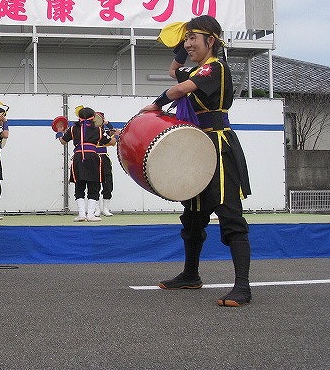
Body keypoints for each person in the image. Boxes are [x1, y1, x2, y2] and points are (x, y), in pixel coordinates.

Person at [140, 15, 252, 307]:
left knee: (230, 217)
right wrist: (180, 44)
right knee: (192, 216)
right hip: (196, 146)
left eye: (193, 39)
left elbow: (178, 90)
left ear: (210, 41)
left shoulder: (216, 68)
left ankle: (243, 287)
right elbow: (174, 71)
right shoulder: (198, 69)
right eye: (187, 39)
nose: (188, 44)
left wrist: (155, 105)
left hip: (218, 144)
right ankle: (191, 274)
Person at [57, 107, 117, 222]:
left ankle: (81, 214)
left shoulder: (73, 129)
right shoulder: (98, 130)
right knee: (93, 186)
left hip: (78, 158)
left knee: (79, 186)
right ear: (93, 117)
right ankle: (90, 215)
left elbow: (63, 141)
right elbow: (112, 142)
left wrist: (59, 131)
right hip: (93, 158)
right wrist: (117, 136)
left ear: (79, 117)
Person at [94, 112, 119, 217]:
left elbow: (115, 133)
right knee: (94, 183)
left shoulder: (105, 132)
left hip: (104, 157)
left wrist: (108, 124)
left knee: (107, 182)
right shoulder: (89, 132)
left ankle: (105, 208)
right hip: (93, 157)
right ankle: (96, 209)